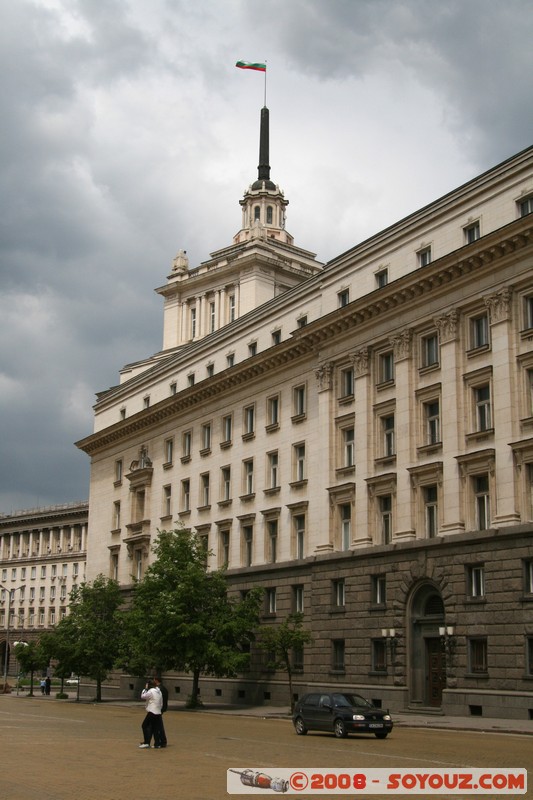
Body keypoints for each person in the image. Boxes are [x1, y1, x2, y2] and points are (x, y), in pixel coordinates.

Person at [139, 678, 163, 749]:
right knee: (155, 727)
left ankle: (146, 742)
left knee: (144, 725)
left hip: (152, 711)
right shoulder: (159, 691)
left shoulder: (151, 691)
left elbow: (143, 696)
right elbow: (161, 703)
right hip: (158, 711)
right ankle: (157, 743)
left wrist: (145, 689)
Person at [157, 677, 168, 748]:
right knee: (157, 725)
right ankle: (161, 741)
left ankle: (162, 741)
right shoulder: (164, 688)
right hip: (161, 709)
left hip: (158, 709)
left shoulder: (159, 689)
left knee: (158, 726)